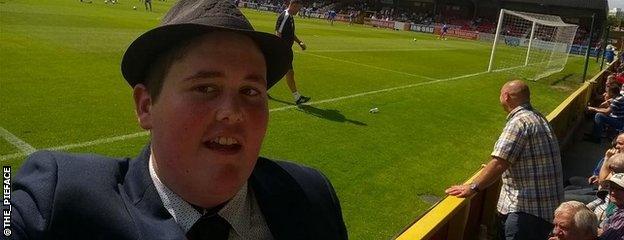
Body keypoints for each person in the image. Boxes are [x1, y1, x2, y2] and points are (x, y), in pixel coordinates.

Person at [11, 1, 348, 239]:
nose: (233, 112)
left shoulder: (311, 196)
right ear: (146, 107)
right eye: (205, 88)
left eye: (250, 91)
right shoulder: (57, 202)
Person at [445, 80, 563, 240]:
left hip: (527, 212)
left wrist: (472, 187)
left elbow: (500, 162)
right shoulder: (538, 117)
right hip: (546, 209)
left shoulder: (519, 122)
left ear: (506, 97)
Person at [275, 0, 311, 105]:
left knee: (280, 71)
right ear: (293, 5)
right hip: (283, 50)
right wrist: (280, 50)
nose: (298, 11)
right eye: (298, 8)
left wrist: (299, 42)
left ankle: (263, 89)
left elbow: (290, 33)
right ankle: (297, 97)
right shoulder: (285, 16)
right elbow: (278, 33)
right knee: (289, 73)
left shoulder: (290, 17)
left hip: (285, 49)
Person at [599, 173, 624, 239]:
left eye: (619, 189)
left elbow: (605, 238)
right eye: (611, 187)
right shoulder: (617, 207)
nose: (613, 192)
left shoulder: (622, 217)